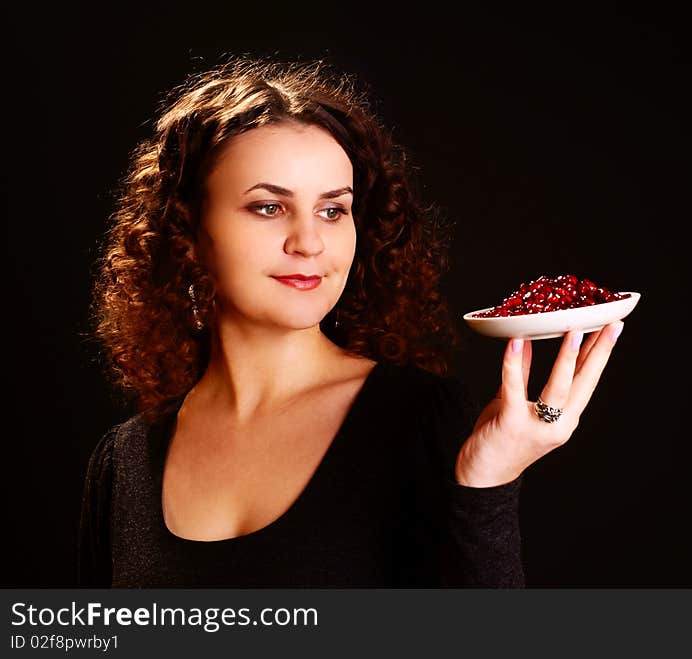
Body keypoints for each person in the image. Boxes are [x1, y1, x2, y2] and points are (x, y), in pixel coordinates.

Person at [78, 54, 625, 588]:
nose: (309, 242)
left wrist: (488, 485)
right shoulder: (123, 462)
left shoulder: (426, 420)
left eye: (333, 209)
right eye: (269, 207)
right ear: (189, 229)